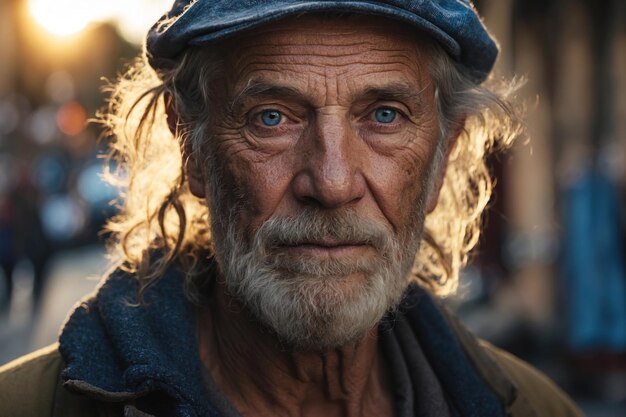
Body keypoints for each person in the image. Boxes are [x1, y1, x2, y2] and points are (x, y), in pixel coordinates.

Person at [0, 1, 584, 416]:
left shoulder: (535, 408)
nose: (331, 183)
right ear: (192, 148)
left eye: (384, 116)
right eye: (272, 117)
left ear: (442, 155)